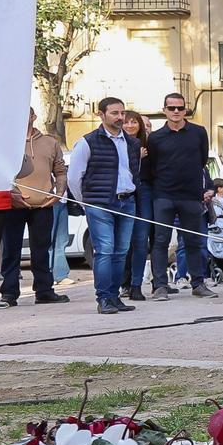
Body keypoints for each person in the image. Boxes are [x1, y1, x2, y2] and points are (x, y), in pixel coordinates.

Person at [66, 96, 139, 314]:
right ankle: (104, 298)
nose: (120, 117)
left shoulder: (132, 143)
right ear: (101, 114)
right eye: (114, 113)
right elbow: (73, 177)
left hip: (127, 201)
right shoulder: (87, 142)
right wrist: (84, 202)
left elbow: (134, 173)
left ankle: (114, 296)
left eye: (122, 113)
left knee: (121, 251)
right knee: (105, 250)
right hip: (99, 203)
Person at [146, 91, 215, 300]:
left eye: (180, 108)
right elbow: (152, 167)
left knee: (193, 240)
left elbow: (202, 160)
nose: (176, 112)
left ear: (186, 110)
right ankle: (160, 286)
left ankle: (198, 283)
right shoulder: (156, 138)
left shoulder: (199, 132)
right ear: (164, 110)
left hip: (191, 196)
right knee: (160, 241)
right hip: (164, 195)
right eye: (171, 108)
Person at [0, 108, 69, 306]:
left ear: (33, 116)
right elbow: (0, 173)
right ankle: (9, 293)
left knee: (41, 249)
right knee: (11, 250)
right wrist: (12, 194)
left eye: (26, 114)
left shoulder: (50, 142)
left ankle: (44, 290)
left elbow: (60, 171)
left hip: (43, 205)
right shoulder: (7, 144)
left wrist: (58, 192)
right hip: (14, 205)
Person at [119, 109, 155, 301]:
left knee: (141, 241)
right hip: (125, 194)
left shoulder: (149, 144)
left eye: (134, 122)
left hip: (145, 194)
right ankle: (123, 283)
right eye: (126, 122)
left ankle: (136, 285)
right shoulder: (117, 144)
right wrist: (135, 158)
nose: (130, 126)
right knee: (124, 243)